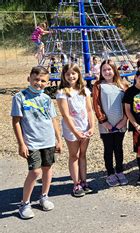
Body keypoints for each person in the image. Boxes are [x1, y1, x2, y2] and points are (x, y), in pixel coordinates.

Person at [11, 66, 62, 219]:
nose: (39, 83)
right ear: (29, 79)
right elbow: (16, 122)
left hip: (48, 140)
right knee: (35, 172)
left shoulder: (46, 98)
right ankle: (24, 203)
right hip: (32, 142)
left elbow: (53, 120)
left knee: (47, 168)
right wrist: (21, 144)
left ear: (47, 83)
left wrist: (59, 139)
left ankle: (44, 196)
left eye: (43, 81)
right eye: (36, 79)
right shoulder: (20, 97)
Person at [56, 64, 94, 197]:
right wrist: (76, 132)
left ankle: (84, 181)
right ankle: (76, 183)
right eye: (68, 74)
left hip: (84, 127)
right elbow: (66, 115)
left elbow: (89, 110)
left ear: (78, 74)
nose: (71, 76)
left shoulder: (85, 90)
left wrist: (92, 126)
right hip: (72, 129)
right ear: (64, 76)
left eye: (73, 73)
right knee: (74, 155)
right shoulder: (62, 93)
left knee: (83, 154)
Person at [92, 60, 129, 187]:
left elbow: (127, 105)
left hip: (121, 122)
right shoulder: (98, 85)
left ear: (114, 70)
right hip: (106, 124)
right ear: (101, 72)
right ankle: (110, 173)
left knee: (118, 148)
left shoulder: (123, 85)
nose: (107, 72)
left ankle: (119, 171)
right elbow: (96, 105)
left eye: (109, 69)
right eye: (104, 70)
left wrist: (124, 120)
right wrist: (104, 121)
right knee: (108, 148)